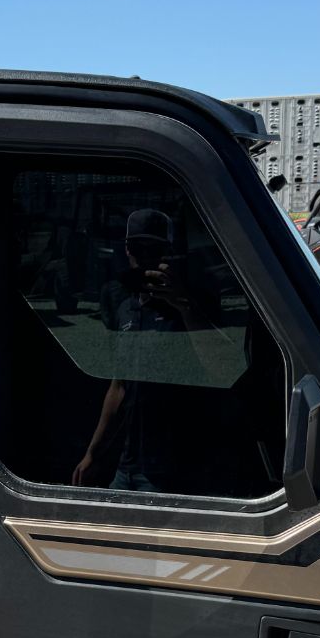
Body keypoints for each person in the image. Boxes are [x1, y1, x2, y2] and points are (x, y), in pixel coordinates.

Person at [73, 208, 224, 494]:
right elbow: (118, 387)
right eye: (139, 248)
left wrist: (184, 305)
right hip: (129, 462)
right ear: (127, 249)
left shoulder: (195, 300)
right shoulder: (123, 306)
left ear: (168, 252)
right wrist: (94, 453)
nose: (146, 257)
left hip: (176, 464)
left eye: (154, 249)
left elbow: (219, 367)